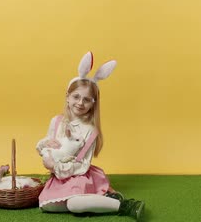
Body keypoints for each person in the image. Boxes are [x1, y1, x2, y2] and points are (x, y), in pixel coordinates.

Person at [36, 52, 145, 221]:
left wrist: (56, 167)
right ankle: (95, 203)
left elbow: (82, 164)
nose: (80, 103)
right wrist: (44, 145)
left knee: (73, 205)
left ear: (93, 104)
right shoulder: (56, 121)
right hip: (59, 178)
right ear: (67, 97)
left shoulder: (90, 130)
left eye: (87, 100)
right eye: (76, 97)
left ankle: (123, 205)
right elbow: (46, 144)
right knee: (47, 206)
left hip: (78, 175)